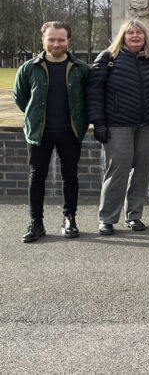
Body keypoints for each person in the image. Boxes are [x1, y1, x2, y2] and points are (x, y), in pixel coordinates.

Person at [88, 19, 149, 235]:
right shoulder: (108, 58)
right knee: (118, 171)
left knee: (142, 172)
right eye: (130, 32)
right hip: (118, 124)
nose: (134, 36)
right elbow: (94, 93)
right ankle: (107, 218)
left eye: (139, 33)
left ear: (145, 37)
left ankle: (134, 215)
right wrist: (98, 123)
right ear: (122, 36)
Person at [13, 21, 90, 243]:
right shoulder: (29, 68)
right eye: (52, 39)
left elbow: (86, 99)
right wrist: (35, 116)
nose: (56, 43)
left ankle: (69, 218)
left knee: (70, 176)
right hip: (40, 133)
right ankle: (36, 223)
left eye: (61, 39)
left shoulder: (81, 69)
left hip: (70, 131)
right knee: (36, 177)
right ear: (43, 40)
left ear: (68, 41)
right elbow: (21, 98)